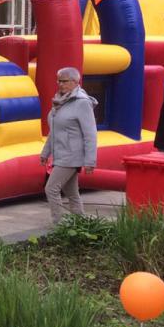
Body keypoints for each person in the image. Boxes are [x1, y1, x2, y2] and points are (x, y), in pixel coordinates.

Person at [40, 67, 99, 223]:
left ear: (75, 82)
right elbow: (54, 131)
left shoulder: (82, 103)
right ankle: (80, 223)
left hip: (71, 156)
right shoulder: (59, 101)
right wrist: (45, 153)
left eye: (64, 81)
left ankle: (59, 224)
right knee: (72, 192)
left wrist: (90, 161)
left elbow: (90, 134)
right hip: (60, 154)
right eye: (58, 81)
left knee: (51, 189)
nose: (60, 84)